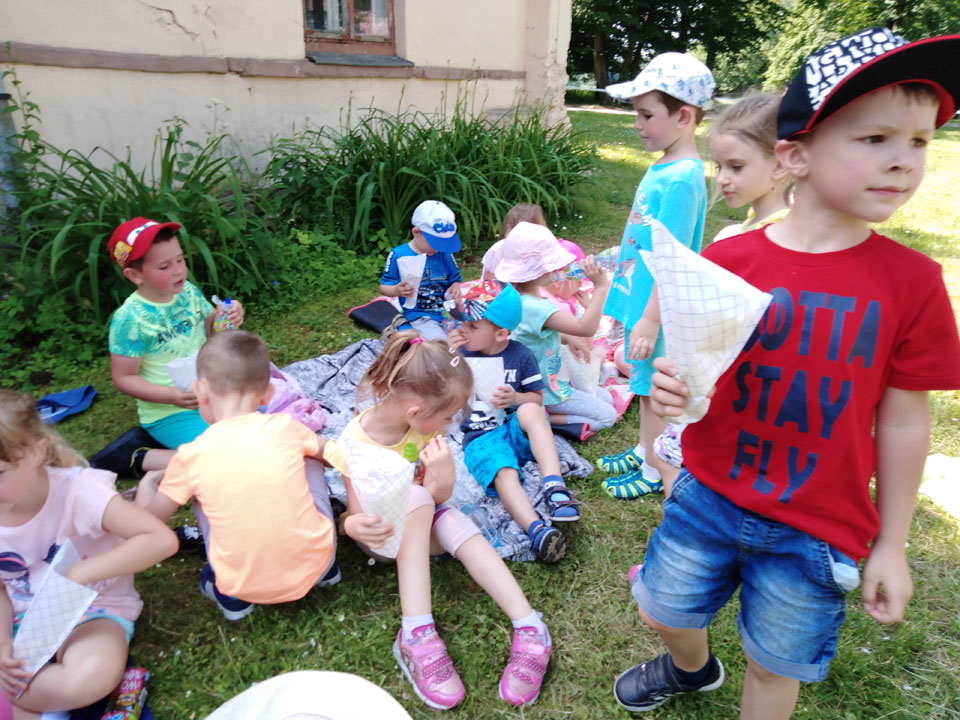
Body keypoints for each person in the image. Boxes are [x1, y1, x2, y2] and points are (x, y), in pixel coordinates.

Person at [614, 28, 960, 719]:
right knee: (659, 608)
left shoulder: (914, 284)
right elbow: (697, 366)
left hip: (818, 525)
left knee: (775, 667)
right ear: (795, 155)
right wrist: (678, 388)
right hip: (709, 493)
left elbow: (903, 419)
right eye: (875, 138)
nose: (903, 160)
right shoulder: (729, 261)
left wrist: (892, 543)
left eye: (920, 141)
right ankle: (692, 669)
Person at [323, 330, 552, 710]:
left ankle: (530, 625)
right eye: (446, 416)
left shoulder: (426, 431)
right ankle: (415, 634)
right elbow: (356, 515)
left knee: (447, 516)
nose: (449, 425)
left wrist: (443, 478)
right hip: (384, 537)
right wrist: (351, 526)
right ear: (416, 412)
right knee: (418, 499)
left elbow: (435, 499)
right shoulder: (355, 444)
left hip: (422, 518)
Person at [135, 330, 338, 621]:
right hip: (319, 563)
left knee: (200, 494)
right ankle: (326, 568)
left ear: (198, 391)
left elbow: (147, 523)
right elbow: (336, 454)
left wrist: (146, 486)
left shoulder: (190, 457)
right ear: (268, 393)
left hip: (243, 585)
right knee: (311, 459)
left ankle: (230, 594)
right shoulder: (286, 427)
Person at [0, 389, 178, 718]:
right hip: (20, 619)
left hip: (92, 610)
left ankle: (20, 699)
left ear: (36, 451)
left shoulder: (79, 492)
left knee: (88, 676)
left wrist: (80, 574)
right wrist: (2, 645)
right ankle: (28, 699)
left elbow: (159, 540)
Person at [651, 93, 794, 494]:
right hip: (719, 383)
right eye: (719, 166)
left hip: (733, 393)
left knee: (673, 461)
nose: (722, 178)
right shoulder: (747, 229)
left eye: (736, 167)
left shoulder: (772, 239)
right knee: (668, 457)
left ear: (779, 164)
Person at [594, 52, 715, 500]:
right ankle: (644, 448)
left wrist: (650, 319)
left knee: (655, 388)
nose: (637, 124)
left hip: (657, 307)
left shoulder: (682, 179)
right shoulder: (664, 165)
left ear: (683, 117)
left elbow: (674, 258)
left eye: (646, 115)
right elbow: (645, 235)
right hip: (641, 296)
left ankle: (654, 467)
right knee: (643, 384)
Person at [447, 280, 574, 561]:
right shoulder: (461, 355)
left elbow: (536, 398)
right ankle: (536, 530)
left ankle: (554, 486)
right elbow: (442, 394)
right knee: (504, 471)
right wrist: (450, 357)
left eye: (472, 326)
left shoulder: (520, 355)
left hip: (516, 428)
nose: (462, 330)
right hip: (481, 436)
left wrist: (516, 398)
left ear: (502, 334)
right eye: (462, 323)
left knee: (531, 410)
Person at [105, 217, 245, 472]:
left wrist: (228, 314)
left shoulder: (187, 292)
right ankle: (139, 456)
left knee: (255, 435)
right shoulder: (130, 319)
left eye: (180, 260)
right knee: (222, 460)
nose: (178, 270)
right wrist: (171, 396)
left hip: (211, 392)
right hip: (169, 413)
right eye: (164, 266)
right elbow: (124, 377)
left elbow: (211, 332)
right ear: (135, 275)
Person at [496, 222, 620, 441]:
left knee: (607, 399)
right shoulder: (537, 307)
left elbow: (533, 333)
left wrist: (569, 338)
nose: (559, 271)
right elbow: (586, 327)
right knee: (608, 416)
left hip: (549, 382)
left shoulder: (520, 299)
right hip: (545, 392)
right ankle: (546, 419)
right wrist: (601, 287)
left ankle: (540, 415)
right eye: (554, 267)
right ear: (540, 272)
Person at [379, 200, 463, 341]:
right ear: (416, 232)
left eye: (443, 243)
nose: (439, 248)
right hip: (419, 315)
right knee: (440, 343)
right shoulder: (399, 255)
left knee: (468, 333)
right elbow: (383, 287)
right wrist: (396, 290)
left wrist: (455, 286)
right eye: (435, 243)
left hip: (446, 311)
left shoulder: (444, 253)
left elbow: (455, 280)